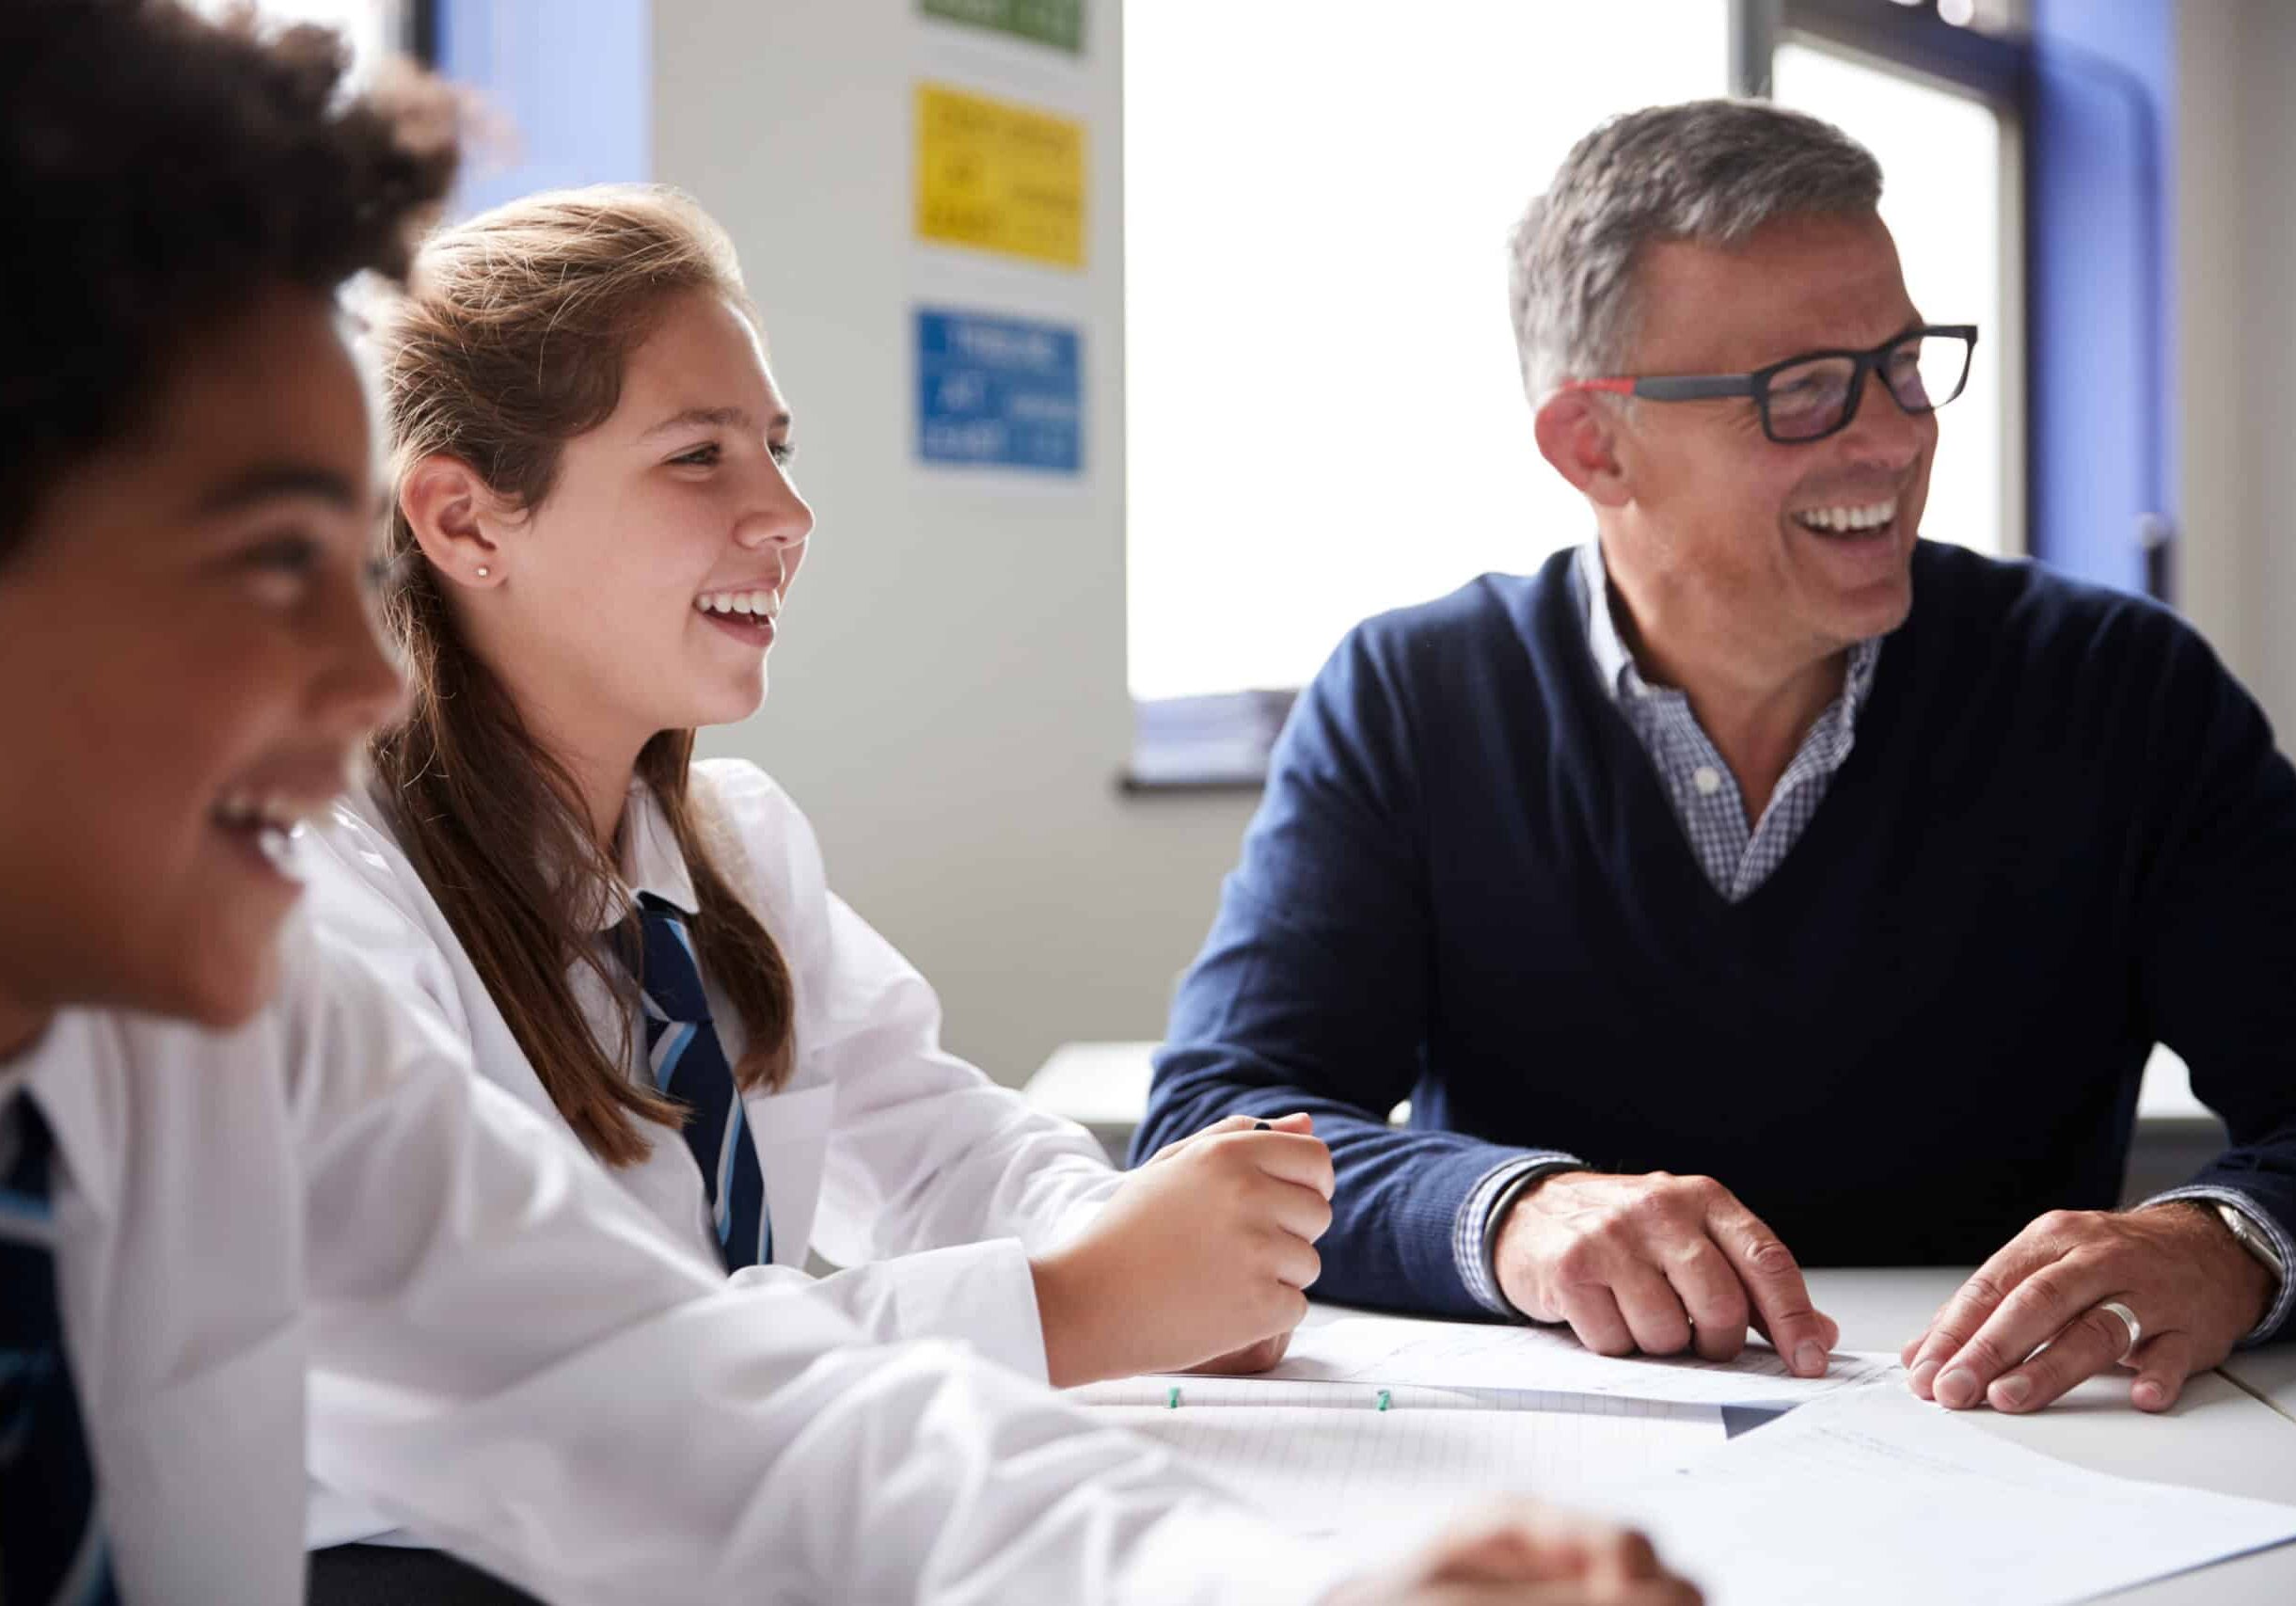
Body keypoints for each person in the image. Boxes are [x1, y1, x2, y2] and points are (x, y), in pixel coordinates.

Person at [0, 4, 1701, 1603]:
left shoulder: (239, 1020)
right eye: (256, 563)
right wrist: (1073, 1302)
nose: (358, 677)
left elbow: (690, 1391)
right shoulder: (324, 916)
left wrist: (1278, 1584)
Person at [1138, 97, 2296, 1422]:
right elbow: (1218, 1128)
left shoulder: (2119, 691)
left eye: (1904, 363)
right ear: (1594, 443)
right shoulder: (1414, 694)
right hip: (1555, 1468)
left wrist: (2231, 1242)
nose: (1895, 437)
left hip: (2033, 1446)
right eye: (1802, 391)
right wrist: (1511, 1212)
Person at [300, 183, 1335, 1558]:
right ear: (469, 522)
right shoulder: (330, 906)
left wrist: (1147, 1247)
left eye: (776, 448)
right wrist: (1074, 1303)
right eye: (698, 456)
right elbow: (542, 1388)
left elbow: (937, 1140)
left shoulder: (735, 849)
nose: (785, 511)